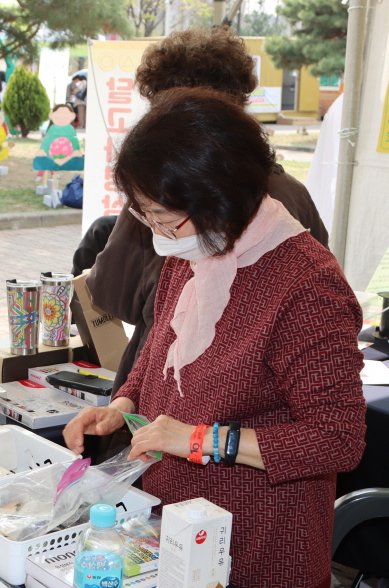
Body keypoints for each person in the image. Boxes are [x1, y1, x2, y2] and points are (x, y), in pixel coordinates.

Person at [63, 88, 366, 588]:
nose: (158, 234)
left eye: (164, 217)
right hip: (167, 526)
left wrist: (200, 439)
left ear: (220, 197)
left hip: (260, 551)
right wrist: (125, 401)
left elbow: (337, 439)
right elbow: (161, 349)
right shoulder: (196, 247)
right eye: (145, 216)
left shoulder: (306, 284)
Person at [86, 25, 329, 403]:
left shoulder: (175, 204)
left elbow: (113, 294)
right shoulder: (292, 193)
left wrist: (210, 439)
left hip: (218, 416)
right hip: (176, 399)